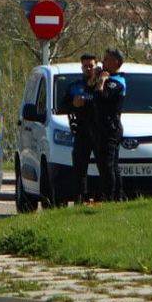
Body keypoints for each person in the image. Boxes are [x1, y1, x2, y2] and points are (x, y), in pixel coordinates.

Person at [93, 47, 128, 201]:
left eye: (106, 59)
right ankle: (117, 196)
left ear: (115, 62)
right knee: (108, 164)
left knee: (108, 165)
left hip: (111, 128)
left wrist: (101, 81)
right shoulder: (107, 79)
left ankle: (110, 197)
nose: (103, 61)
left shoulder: (116, 82)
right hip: (102, 127)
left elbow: (102, 98)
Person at [66, 53, 99, 205]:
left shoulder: (102, 83)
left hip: (100, 131)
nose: (88, 69)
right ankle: (80, 200)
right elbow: (62, 105)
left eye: (91, 66)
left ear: (96, 66)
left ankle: (104, 198)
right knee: (79, 169)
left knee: (105, 168)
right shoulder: (75, 86)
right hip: (82, 130)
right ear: (81, 67)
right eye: (85, 66)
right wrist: (73, 104)